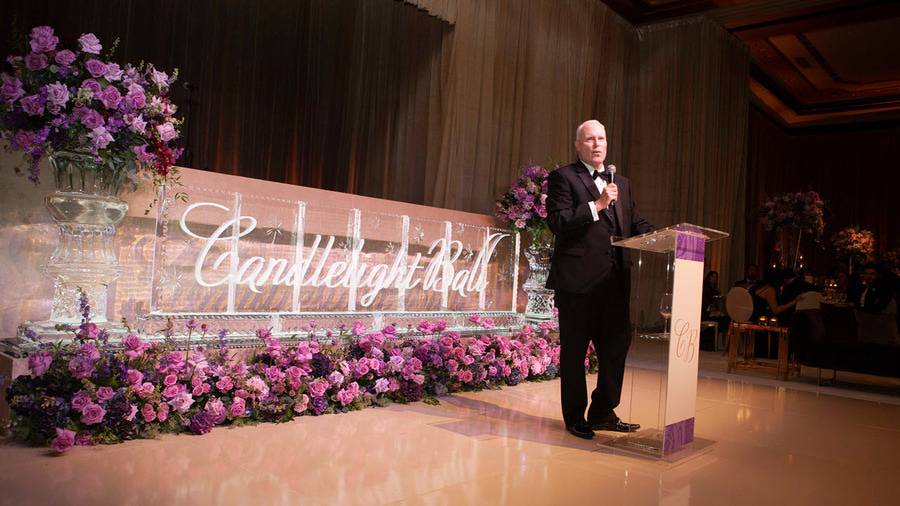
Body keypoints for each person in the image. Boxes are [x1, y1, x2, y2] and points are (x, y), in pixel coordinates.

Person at [545, 120, 653, 440]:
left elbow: (634, 222)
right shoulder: (564, 177)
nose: (597, 144)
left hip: (615, 284)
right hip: (578, 285)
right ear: (578, 145)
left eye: (601, 138)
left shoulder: (622, 182)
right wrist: (598, 204)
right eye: (589, 139)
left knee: (616, 349)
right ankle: (575, 418)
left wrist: (665, 237)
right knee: (575, 354)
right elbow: (557, 221)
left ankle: (604, 411)